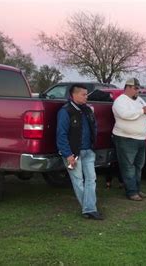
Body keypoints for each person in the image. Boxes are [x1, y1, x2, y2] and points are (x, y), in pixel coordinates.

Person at [56, 84, 103, 220]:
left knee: (91, 179)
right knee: (78, 181)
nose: (86, 97)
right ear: (74, 95)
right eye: (83, 94)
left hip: (89, 151)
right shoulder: (65, 111)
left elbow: (94, 127)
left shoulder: (87, 110)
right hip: (73, 154)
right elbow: (61, 134)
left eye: (86, 94)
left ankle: (89, 209)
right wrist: (68, 154)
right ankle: (90, 209)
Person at [112, 78, 146, 201]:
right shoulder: (120, 101)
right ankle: (131, 191)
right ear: (128, 87)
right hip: (126, 138)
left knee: (138, 165)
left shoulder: (139, 99)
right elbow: (125, 115)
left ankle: (136, 189)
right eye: (136, 88)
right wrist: (142, 111)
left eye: (138, 88)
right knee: (128, 166)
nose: (138, 91)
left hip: (140, 138)